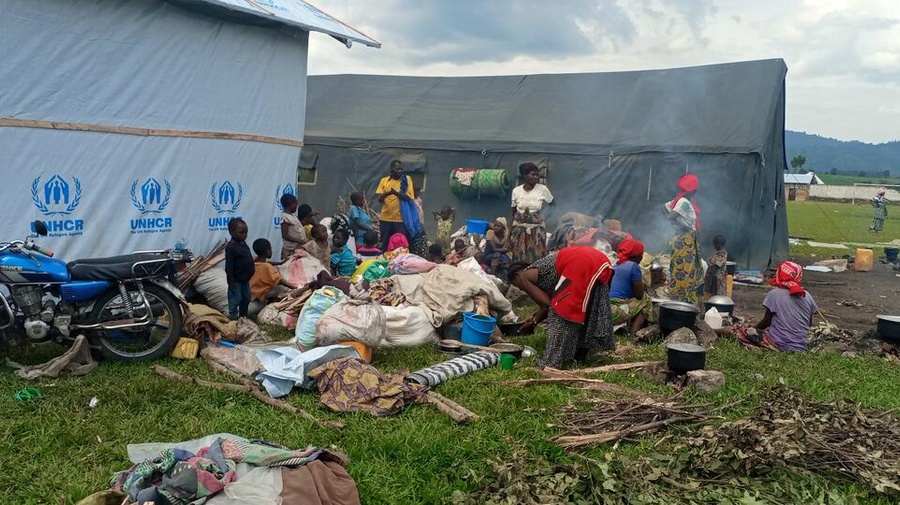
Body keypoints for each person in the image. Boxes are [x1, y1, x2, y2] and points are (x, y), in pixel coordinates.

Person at [510, 246, 615, 368]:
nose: (521, 289)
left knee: (561, 311)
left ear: (517, 274)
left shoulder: (524, 276)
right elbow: (548, 302)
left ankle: (551, 363)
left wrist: (533, 322)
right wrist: (535, 317)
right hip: (599, 260)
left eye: (516, 285)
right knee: (588, 310)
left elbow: (548, 306)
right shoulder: (543, 269)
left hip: (580, 262)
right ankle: (579, 356)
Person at [726, 261, 817, 352]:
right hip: (801, 346)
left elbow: (766, 322)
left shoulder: (774, 294)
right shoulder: (807, 296)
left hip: (779, 345)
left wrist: (754, 328)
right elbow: (808, 323)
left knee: (736, 329)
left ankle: (714, 331)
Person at [664, 173, 703, 306]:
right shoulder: (684, 202)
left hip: (683, 240)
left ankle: (681, 296)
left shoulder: (680, 200)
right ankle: (682, 299)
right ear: (694, 190)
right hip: (684, 241)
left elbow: (664, 208)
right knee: (684, 269)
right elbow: (670, 216)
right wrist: (680, 226)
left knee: (683, 268)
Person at [510, 163, 554, 263]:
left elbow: (553, 205)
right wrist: (510, 233)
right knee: (519, 257)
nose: (536, 177)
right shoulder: (516, 191)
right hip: (520, 231)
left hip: (536, 231)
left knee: (537, 256)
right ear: (525, 176)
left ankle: (535, 277)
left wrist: (544, 216)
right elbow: (513, 212)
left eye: (537, 175)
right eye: (533, 174)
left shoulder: (542, 189)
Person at [609, 239, 651, 336]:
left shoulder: (615, 264)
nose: (642, 257)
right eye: (641, 254)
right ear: (637, 256)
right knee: (646, 299)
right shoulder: (634, 266)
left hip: (604, 309)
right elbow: (639, 295)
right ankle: (634, 332)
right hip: (615, 313)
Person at [376, 160, 417, 251]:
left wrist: (395, 193)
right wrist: (386, 194)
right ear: (391, 169)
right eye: (397, 169)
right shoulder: (384, 181)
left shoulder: (406, 180)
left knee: (400, 246)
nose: (400, 171)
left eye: (401, 169)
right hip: (385, 218)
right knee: (385, 244)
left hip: (400, 219)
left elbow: (408, 197)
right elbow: (380, 200)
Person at [250, 239, 295, 304]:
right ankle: (270, 301)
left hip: (252, 292)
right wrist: (294, 287)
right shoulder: (267, 267)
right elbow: (279, 280)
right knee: (281, 289)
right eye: (270, 249)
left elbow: (266, 262)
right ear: (267, 251)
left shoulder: (255, 262)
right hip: (260, 294)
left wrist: (279, 263)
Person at [224, 218, 253, 320]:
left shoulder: (243, 244)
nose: (244, 235)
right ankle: (233, 319)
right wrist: (231, 283)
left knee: (246, 299)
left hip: (245, 280)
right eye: (241, 232)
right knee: (235, 300)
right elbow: (229, 267)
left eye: (246, 232)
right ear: (231, 232)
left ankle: (243, 317)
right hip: (236, 280)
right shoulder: (231, 247)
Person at [279, 194, 307, 260]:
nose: (296, 206)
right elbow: (285, 235)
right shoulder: (285, 217)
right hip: (290, 250)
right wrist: (299, 240)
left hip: (297, 248)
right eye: (295, 204)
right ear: (290, 204)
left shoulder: (293, 216)